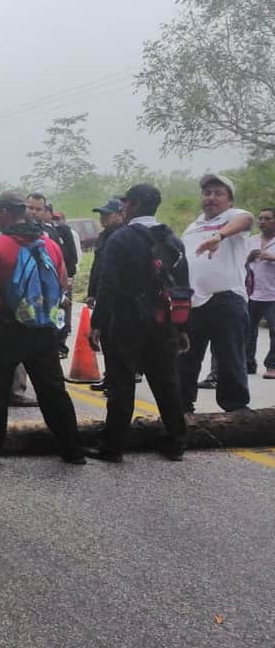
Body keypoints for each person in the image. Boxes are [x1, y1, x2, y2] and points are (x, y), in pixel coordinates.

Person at [0, 191, 86, 467]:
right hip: (43, 329)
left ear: (7, 213)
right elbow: (63, 284)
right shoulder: (49, 245)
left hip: (8, 327)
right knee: (53, 391)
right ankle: (73, 450)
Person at [87, 184, 189, 463]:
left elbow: (108, 284)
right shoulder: (172, 240)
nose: (123, 207)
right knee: (166, 382)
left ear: (133, 205)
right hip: (163, 323)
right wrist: (180, 327)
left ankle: (112, 446)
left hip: (126, 321)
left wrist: (97, 323)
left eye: (126, 202)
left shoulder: (120, 239)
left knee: (121, 383)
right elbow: (182, 287)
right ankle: (177, 441)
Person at [178, 173, 254, 413]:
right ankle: (181, 407)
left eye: (218, 193)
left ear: (229, 200)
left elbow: (247, 218)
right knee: (186, 358)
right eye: (207, 193)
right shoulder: (193, 227)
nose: (211, 198)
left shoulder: (233, 218)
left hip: (226, 300)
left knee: (230, 357)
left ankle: (236, 409)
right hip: (194, 302)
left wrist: (219, 235)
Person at [26, 194, 78, 356]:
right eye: (30, 208)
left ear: (45, 211)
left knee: (47, 345)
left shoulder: (51, 233)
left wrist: (62, 289)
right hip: (23, 298)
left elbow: (60, 262)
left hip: (48, 297)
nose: (34, 212)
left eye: (38, 209)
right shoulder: (14, 233)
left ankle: (59, 345)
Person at [85, 199, 126, 391]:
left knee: (117, 341)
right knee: (107, 341)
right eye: (101, 214)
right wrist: (91, 292)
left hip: (118, 297)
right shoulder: (104, 236)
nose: (103, 218)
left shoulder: (123, 236)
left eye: (107, 214)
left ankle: (118, 380)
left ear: (120, 215)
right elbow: (97, 267)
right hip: (103, 292)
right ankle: (110, 377)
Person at [246, 207, 275, 379]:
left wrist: (270, 257)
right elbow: (241, 262)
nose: (262, 221)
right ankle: (248, 364)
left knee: (274, 331)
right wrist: (249, 258)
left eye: (267, 218)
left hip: (273, 295)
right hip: (252, 293)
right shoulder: (252, 240)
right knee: (248, 330)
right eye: (260, 218)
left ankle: (272, 366)